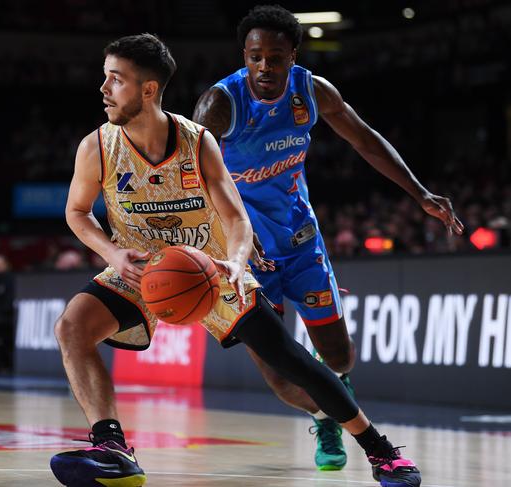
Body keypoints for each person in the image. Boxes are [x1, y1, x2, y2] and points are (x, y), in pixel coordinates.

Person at [50, 33, 420, 487]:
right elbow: (76, 212)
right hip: (137, 265)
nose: (103, 89)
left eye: (115, 80)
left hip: (208, 268)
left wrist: (238, 262)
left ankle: (382, 453)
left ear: (148, 90)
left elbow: (236, 218)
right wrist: (111, 253)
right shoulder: (97, 147)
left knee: (292, 362)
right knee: (71, 327)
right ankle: (111, 447)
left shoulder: (197, 141)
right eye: (105, 79)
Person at [193, 4, 464, 472]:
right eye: (255, 57)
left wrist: (418, 193)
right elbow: (190, 176)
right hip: (246, 257)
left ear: (292, 57)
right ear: (244, 55)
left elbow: (364, 138)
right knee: (281, 379)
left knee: (339, 354)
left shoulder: (312, 91)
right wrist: (228, 235)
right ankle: (325, 416)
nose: (264, 67)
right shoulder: (221, 104)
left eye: (275, 57)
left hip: (300, 241)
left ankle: (335, 391)